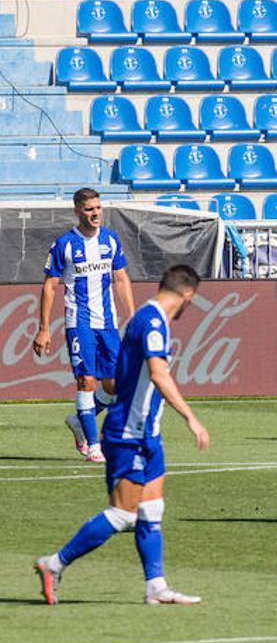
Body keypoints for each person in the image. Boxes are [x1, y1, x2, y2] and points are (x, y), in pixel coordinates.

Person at [34, 265, 210, 606]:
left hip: (148, 434)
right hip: (127, 434)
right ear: (187, 295)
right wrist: (192, 419)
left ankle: (155, 587)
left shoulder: (146, 318)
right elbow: (158, 375)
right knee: (124, 514)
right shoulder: (152, 322)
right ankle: (53, 564)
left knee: (152, 508)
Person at [33, 187, 135, 463]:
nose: (96, 214)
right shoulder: (64, 244)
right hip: (79, 322)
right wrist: (43, 328)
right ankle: (93, 446)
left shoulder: (111, 240)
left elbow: (122, 279)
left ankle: (79, 422)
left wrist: (133, 315)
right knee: (86, 379)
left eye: (99, 208)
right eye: (90, 209)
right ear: (77, 210)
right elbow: (50, 287)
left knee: (113, 386)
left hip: (108, 322)